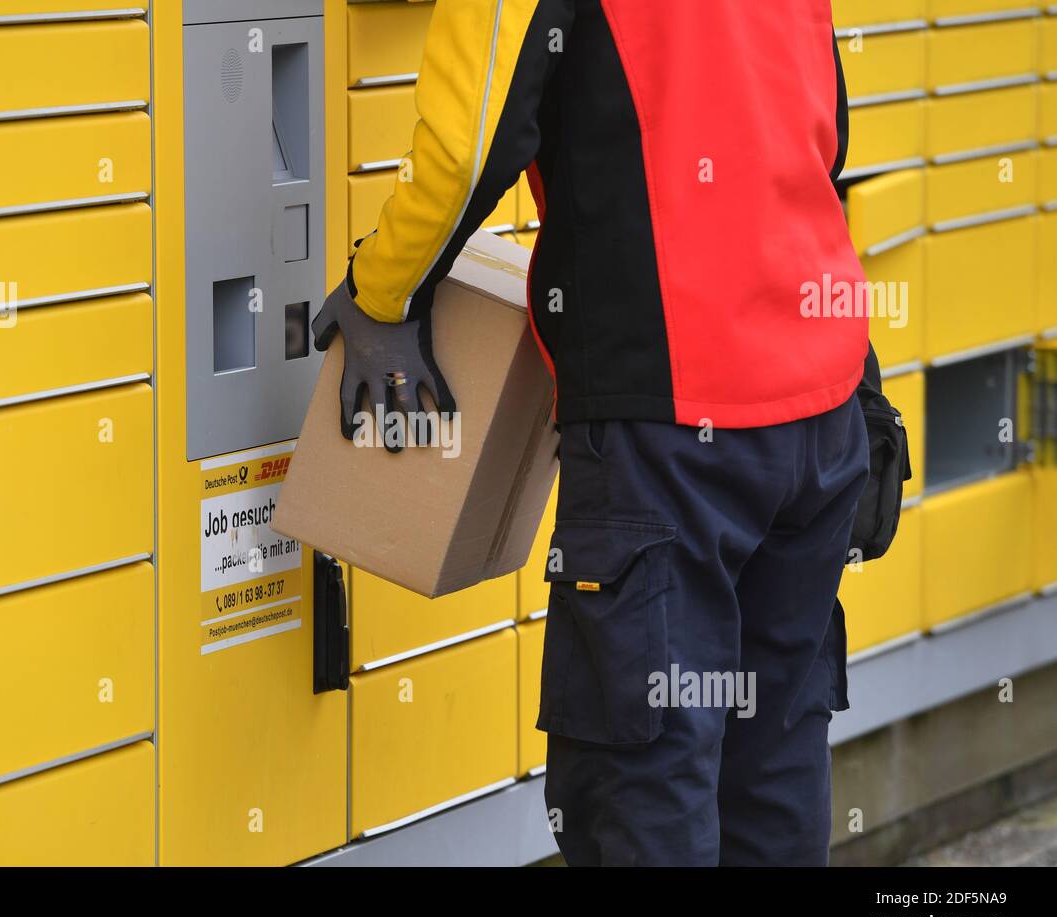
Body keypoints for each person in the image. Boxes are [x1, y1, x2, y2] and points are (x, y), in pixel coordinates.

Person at [312, 0, 880, 865]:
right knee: (770, 769)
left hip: (672, 431)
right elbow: (816, 141)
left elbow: (468, 152)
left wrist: (383, 294)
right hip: (820, 409)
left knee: (643, 787)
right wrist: (863, 385)